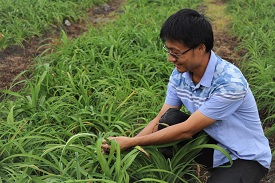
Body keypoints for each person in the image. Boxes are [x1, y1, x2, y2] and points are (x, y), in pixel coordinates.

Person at [101, 8, 271, 182]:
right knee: (169, 119)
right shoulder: (179, 75)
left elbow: (186, 130)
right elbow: (162, 118)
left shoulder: (230, 83)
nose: (170, 59)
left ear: (200, 48)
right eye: (168, 51)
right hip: (213, 146)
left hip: (245, 156)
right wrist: (130, 145)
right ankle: (176, 174)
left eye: (176, 53)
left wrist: (130, 143)